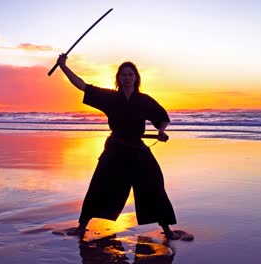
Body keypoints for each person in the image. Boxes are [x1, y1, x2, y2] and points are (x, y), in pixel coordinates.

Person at [57, 53, 181, 240]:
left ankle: (167, 229)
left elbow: (161, 117)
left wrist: (161, 132)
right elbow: (83, 86)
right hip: (115, 150)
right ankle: (81, 227)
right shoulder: (110, 98)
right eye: (123, 74)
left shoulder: (144, 100)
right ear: (118, 78)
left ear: (136, 78)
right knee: (98, 186)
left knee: (154, 184)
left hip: (138, 150)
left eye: (130, 74)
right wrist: (63, 67)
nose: (127, 77)